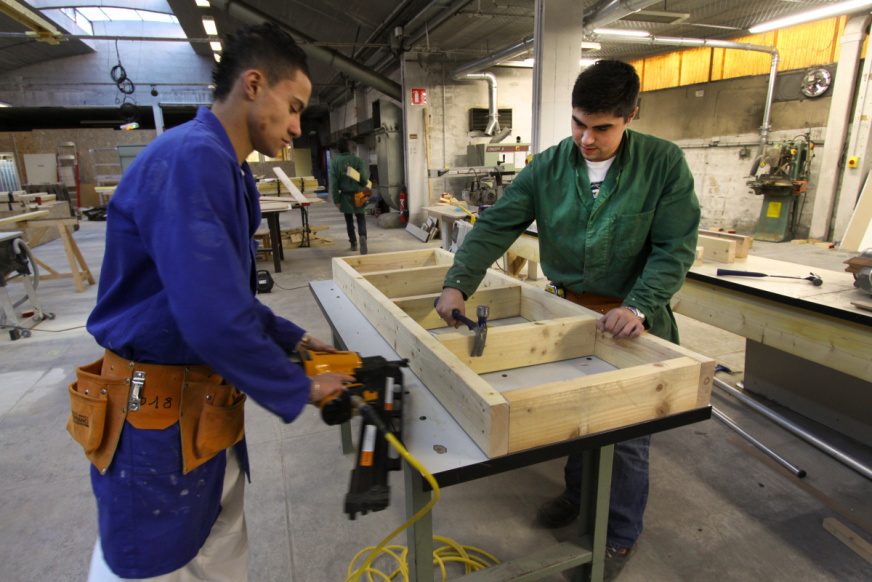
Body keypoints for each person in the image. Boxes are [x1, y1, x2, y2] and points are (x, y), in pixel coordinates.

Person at [71, 23, 353, 581]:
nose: (298, 127)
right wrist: (300, 387)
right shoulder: (192, 160)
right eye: (293, 107)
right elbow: (210, 318)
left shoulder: (226, 168)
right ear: (253, 84)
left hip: (204, 417)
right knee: (148, 566)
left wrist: (289, 338)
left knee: (216, 554)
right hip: (154, 424)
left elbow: (223, 295)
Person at [435, 60, 699, 581]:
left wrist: (638, 305)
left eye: (602, 128)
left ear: (631, 117)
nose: (586, 138)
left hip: (633, 319)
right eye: (578, 123)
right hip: (569, 312)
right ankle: (578, 496)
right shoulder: (548, 167)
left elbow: (674, 248)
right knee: (574, 417)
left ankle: (618, 536)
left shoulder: (663, 163)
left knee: (626, 439)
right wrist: (457, 281)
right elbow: (497, 224)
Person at [331, 137, 370, 254]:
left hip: (345, 196)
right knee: (361, 218)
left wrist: (336, 200)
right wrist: (362, 182)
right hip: (358, 195)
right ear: (348, 147)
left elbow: (334, 184)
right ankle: (362, 236)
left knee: (349, 221)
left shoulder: (335, 163)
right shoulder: (357, 160)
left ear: (338, 149)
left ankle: (353, 243)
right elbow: (364, 180)